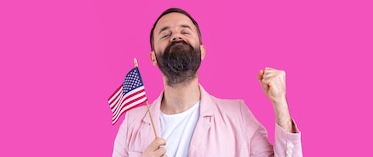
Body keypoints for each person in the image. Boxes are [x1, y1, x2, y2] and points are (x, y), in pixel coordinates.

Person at [112, 8, 303, 157]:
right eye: (165, 34)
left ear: (202, 51)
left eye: (185, 31)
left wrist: (280, 106)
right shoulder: (132, 122)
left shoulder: (237, 114)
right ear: (153, 58)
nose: (176, 36)